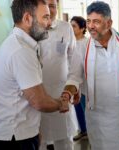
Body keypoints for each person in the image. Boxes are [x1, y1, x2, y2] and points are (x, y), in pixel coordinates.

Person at [0, 0, 69, 150]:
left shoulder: (19, 43)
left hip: (18, 134)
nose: (49, 22)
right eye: (45, 17)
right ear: (27, 19)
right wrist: (61, 104)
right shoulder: (21, 51)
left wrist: (32, 131)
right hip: (14, 139)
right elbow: (39, 101)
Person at [62, 1, 119, 150]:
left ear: (109, 23)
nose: (91, 26)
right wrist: (67, 92)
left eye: (96, 21)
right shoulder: (83, 47)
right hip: (97, 115)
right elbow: (74, 77)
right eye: (89, 21)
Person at [39, 0, 78, 150]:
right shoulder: (33, 28)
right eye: (46, 6)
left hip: (62, 92)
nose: (49, 10)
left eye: (53, 6)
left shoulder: (65, 27)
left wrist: (73, 86)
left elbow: (73, 58)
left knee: (65, 137)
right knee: (39, 138)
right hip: (37, 93)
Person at [70, 16, 88, 141]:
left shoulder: (88, 44)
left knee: (85, 107)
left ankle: (89, 131)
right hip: (73, 80)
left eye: (74, 26)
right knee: (77, 106)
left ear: (82, 28)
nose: (71, 28)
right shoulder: (70, 43)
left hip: (85, 81)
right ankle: (83, 130)